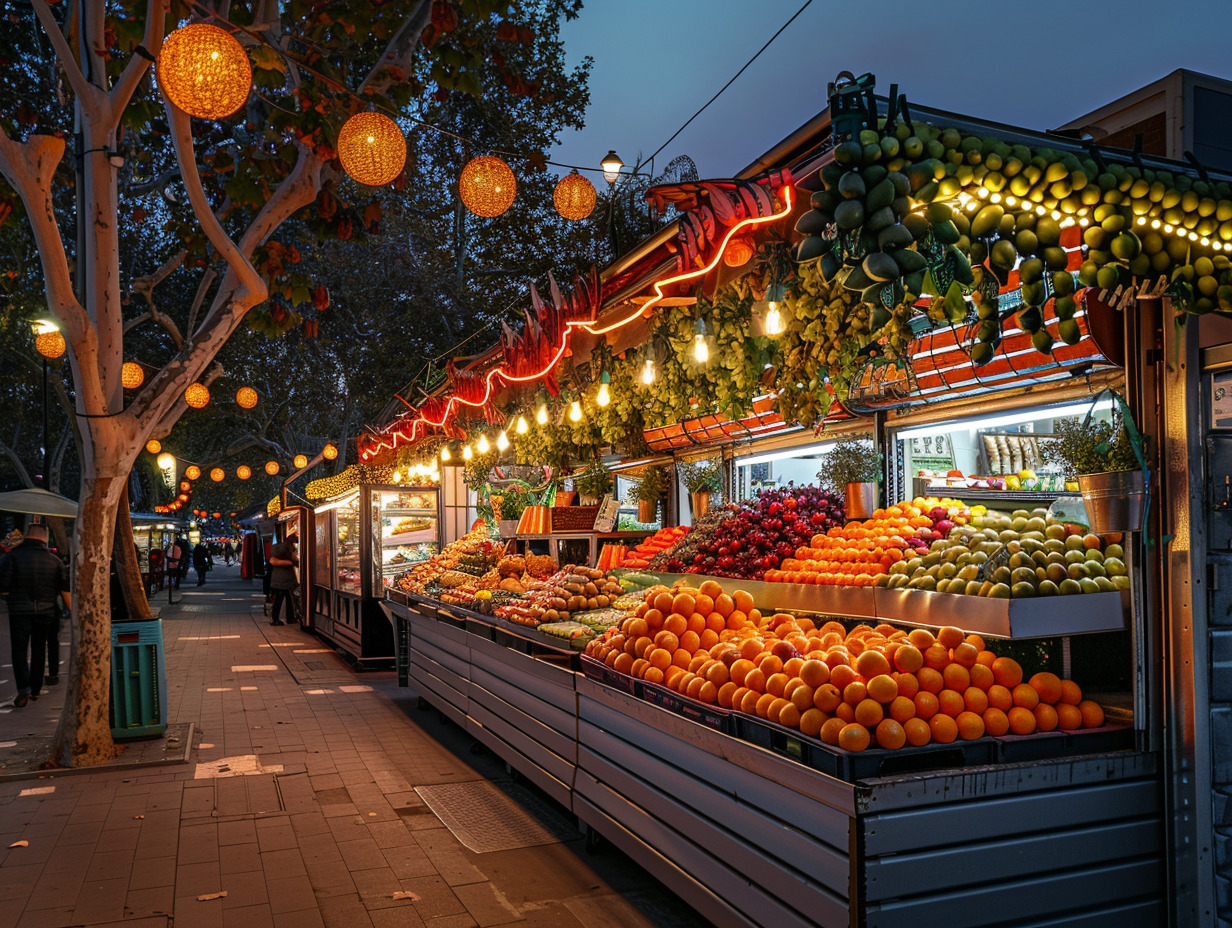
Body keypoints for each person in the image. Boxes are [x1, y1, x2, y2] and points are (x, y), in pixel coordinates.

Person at [0, 523, 70, 707]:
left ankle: (24, 688)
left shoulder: (12, 557)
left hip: (19, 611)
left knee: (19, 650)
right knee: (40, 649)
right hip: (46, 611)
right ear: (45, 538)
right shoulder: (55, 561)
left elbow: (3, 586)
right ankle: (36, 689)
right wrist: (73, 613)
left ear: (27, 536)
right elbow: (65, 591)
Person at [267, 535, 300, 626]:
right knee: (285, 599)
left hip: (279, 580)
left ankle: (284, 618)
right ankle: (281, 619)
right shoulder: (286, 549)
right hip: (285, 581)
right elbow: (273, 561)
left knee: (282, 599)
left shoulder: (280, 549)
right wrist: (291, 563)